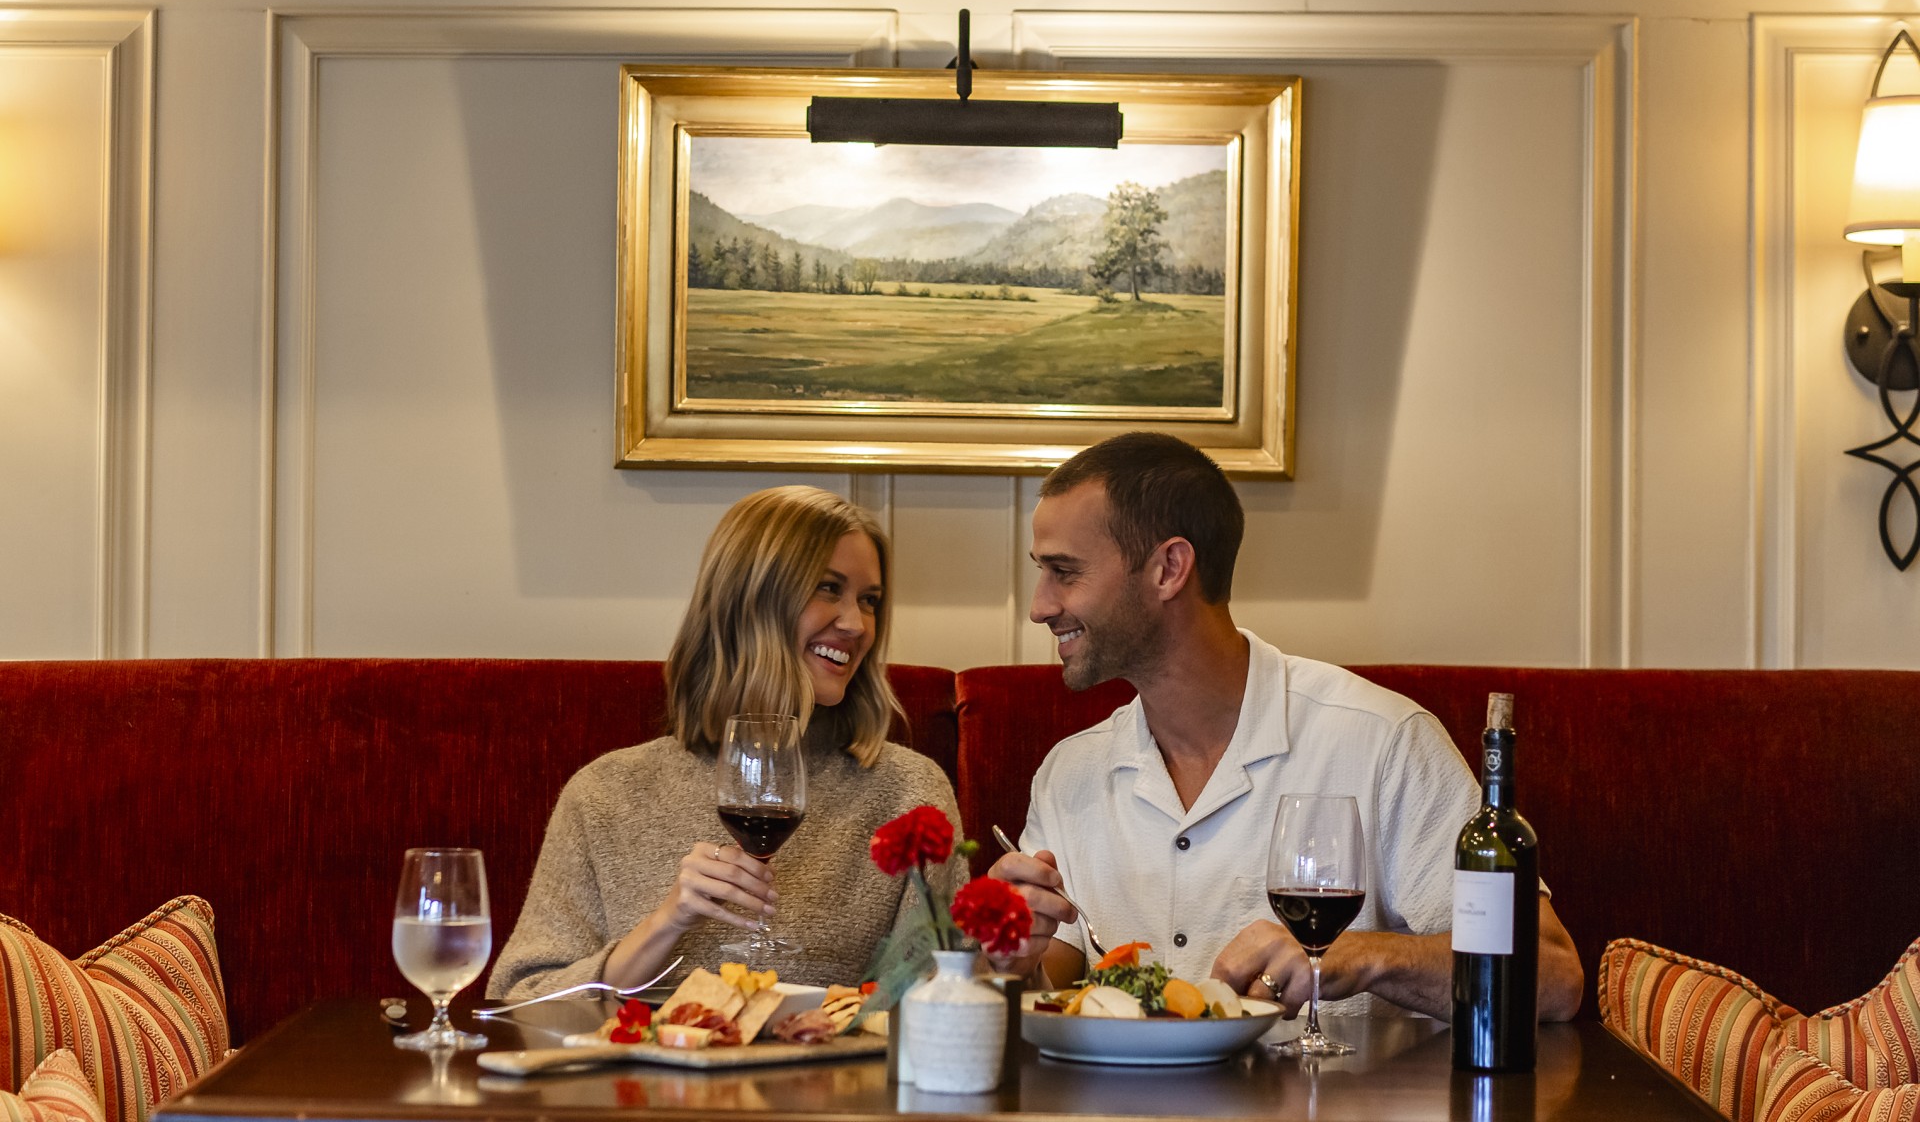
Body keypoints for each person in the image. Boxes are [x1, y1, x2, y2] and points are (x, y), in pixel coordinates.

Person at [987, 433, 1584, 1021]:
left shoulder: (1382, 740)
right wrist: (1014, 960)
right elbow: (1051, 985)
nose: (1039, 605)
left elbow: (1554, 978)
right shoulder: (1070, 772)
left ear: (1169, 568)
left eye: (1064, 572)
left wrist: (1360, 957)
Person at [490, 486, 966, 997]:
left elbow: (947, 999)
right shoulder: (606, 793)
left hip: (835, 1077)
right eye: (828, 589)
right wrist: (668, 922)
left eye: (868, 600)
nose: (856, 624)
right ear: (747, 602)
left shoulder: (907, 794)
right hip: (644, 1076)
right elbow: (517, 1004)